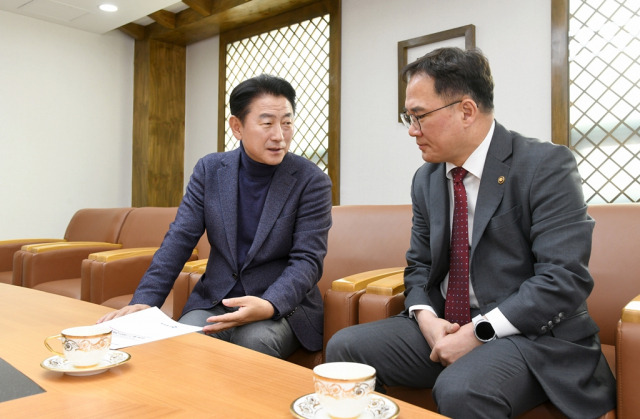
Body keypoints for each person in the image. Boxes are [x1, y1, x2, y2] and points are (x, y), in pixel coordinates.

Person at [325, 48, 616, 418]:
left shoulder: (544, 165)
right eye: (408, 117)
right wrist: (427, 319)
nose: (412, 130)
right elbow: (418, 266)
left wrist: (479, 332)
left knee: (461, 389)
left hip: (529, 336)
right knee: (346, 351)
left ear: (466, 111)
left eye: (419, 116)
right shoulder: (427, 178)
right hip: (447, 325)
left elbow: (563, 278)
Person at [98, 74, 333, 359]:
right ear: (237, 126)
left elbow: (307, 260)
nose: (279, 136)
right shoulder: (210, 170)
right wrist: (146, 302)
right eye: (267, 123)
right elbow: (179, 239)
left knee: (254, 343)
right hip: (214, 300)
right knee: (183, 345)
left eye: (287, 122)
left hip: (280, 307)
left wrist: (270, 303)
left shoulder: (311, 181)